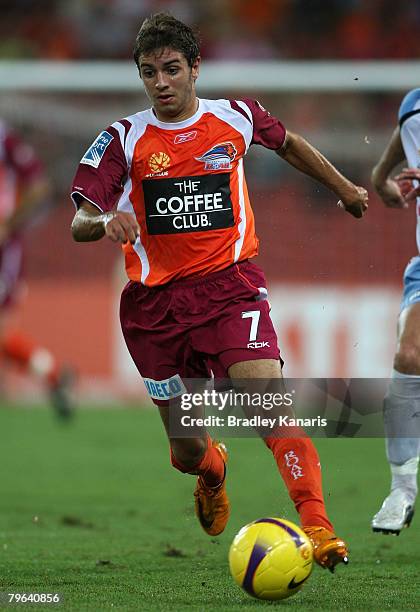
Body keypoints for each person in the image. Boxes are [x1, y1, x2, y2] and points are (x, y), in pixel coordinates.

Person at [71, 13, 368, 571]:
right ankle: (211, 470)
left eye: (172, 69)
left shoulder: (236, 116)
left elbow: (289, 144)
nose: (161, 82)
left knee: (268, 406)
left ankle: (319, 528)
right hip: (154, 310)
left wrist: (345, 187)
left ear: (195, 69)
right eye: (149, 72)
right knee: (185, 450)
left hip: (231, 291)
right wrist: (106, 219)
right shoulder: (121, 138)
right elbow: (80, 221)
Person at [371, 88, 420, 534]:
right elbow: (407, 124)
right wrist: (381, 174)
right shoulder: (414, 104)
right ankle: (402, 489)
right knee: (408, 355)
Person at [0, 119, 73, 418]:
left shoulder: (4, 139)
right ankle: (55, 374)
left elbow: (39, 186)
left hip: (4, 251)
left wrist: (7, 224)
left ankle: (55, 374)